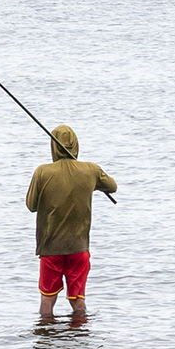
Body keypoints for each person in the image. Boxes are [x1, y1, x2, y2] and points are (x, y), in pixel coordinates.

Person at [26, 124, 117, 324]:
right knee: (79, 302)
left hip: (51, 249)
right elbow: (112, 187)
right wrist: (91, 184)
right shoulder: (91, 170)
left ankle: (46, 340)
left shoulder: (42, 172)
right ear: (75, 145)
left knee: (47, 301)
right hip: (79, 248)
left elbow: (31, 205)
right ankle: (79, 341)